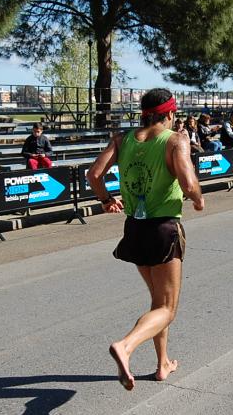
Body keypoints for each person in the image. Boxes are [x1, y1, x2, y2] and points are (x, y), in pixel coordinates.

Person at [86, 88, 204, 391]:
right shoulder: (175, 140)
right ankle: (126, 345)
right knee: (168, 308)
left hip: (135, 229)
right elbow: (188, 184)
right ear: (169, 113)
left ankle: (163, 363)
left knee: (157, 302)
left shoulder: (122, 139)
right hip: (163, 228)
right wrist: (198, 200)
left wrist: (105, 200)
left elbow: (94, 174)